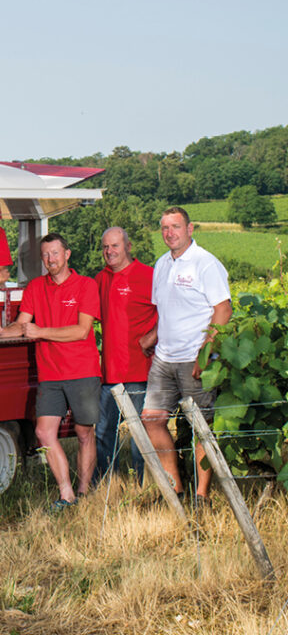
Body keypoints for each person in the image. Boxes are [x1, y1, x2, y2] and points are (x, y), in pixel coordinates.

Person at [0, 233, 101, 508]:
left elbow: (82, 330)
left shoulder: (86, 285)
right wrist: (0, 333)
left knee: (84, 433)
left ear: (67, 254)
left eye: (55, 254)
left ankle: (84, 492)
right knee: (43, 433)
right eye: (46, 255)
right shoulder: (36, 287)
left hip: (82, 370)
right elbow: (22, 324)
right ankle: (66, 494)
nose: (50, 260)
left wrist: (42, 332)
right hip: (50, 373)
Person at [141, 207, 232, 504]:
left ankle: (202, 495)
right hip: (164, 358)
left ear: (190, 228)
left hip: (195, 357)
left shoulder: (206, 264)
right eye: (164, 227)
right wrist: (153, 337)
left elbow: (223, 310)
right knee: (151, 420)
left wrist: (205, 354)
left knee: (200, 427)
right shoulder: (161, 264)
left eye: (175, 227)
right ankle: (176, 489)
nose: (170, 233)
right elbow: (166, 310)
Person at [94, 227, 157, 484]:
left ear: (128, 247)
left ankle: (143, 485)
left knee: (138, 435)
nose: (110, 251)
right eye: (106, 247)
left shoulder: (149, 275)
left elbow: (171, 312)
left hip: (139, 371)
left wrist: (152, 336)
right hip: (109, 373)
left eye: (115, 246)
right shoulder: (101, 279)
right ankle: (109, 484)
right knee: (104, 432)